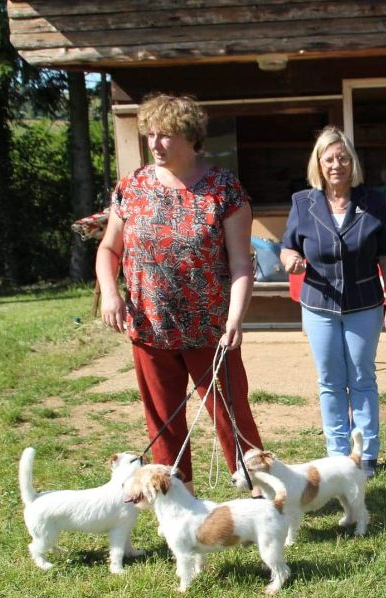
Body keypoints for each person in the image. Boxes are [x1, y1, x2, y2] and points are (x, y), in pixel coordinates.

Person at [95, 94, 263, 494]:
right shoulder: (131, 187)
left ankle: (261, 491)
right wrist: (110, 293)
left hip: (211, 329)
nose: (155, 143)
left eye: (165, 135)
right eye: (150, 134)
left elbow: (241, 264)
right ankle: (176, 498)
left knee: (231, 413)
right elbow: (109, 249)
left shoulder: (224, 190)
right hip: (150, 328)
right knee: (164, 421)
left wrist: (235, 318)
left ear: (191, 137)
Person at [280, 126, 386, 478]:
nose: (337, 164)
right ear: (318, 164)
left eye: (343, 158)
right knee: (330, 381)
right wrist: (290, 260)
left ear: (353, 163)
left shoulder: (373, 201)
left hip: (364, 305)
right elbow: (288, 246)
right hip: (318, 305)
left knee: (363, 378)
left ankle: (366, 455)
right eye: (329, 158)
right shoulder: (302, 202)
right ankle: (337, 454)